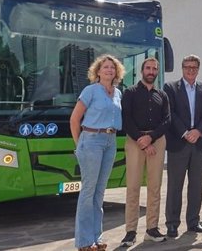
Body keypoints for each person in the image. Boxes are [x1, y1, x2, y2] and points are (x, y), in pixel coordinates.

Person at [69, 54, 124, 251]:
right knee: (88, 191)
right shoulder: (90, 90)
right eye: (105, 67)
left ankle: (96, 238)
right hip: (91, 140)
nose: (109, 70)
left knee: (99, 193)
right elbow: (75, 119)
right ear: (98, 71)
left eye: (112, 67)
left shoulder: (117, 93)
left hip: (110, 141)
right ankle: (84, 242)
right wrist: (80, 145)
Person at [120, 58, 171, 246]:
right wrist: (142, 140)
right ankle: (130, 231)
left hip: (156, 141)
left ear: (157, 72)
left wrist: (152, 138)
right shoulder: (130, 93)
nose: (151, 71)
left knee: (155, 187)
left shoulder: (162, 95)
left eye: (154, 69)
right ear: (142, 70)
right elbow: (126, 119)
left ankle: (152, 228)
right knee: (133, 187)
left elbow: (167, 120)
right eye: (148, 68)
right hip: (135, 141)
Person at [163, 55, 202, 237]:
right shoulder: (170, 88)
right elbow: (170, 113)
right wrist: (185, 132)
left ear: (198, 69)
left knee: (196, 185)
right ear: (182, 68)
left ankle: (193, 221)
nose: (190, 70)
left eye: (194, 67)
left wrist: (198, 131)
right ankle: (172, 224)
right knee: (175, 186)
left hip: (199, 143)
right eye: (187, 67)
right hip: (179, 142)